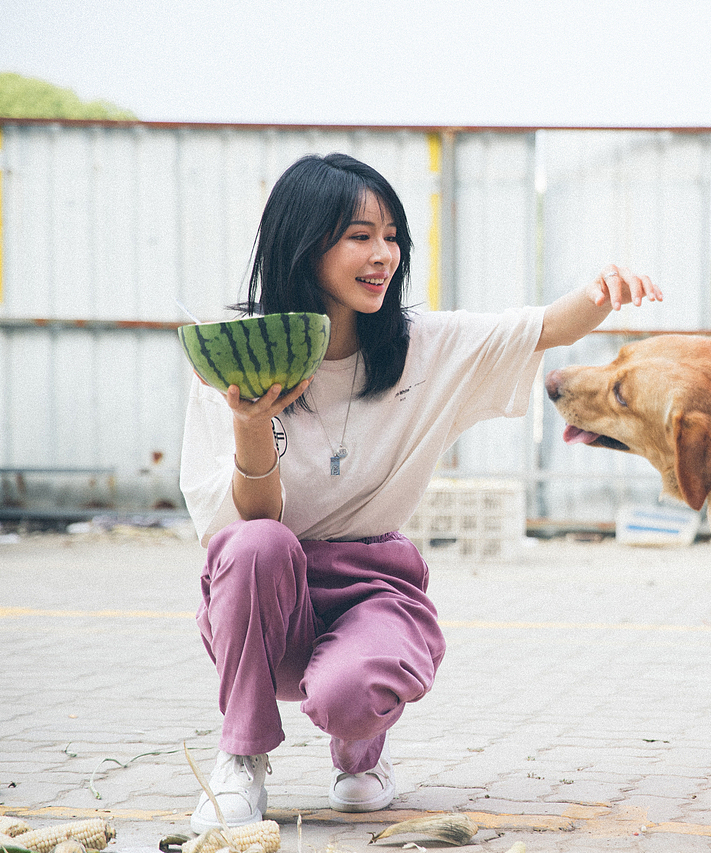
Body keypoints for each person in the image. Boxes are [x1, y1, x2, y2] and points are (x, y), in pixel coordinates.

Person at [179, 152, 661, 831]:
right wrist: (250, 420)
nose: (384, 255)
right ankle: (240, 760)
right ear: (302, 242)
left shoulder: (423, 348)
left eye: (392, 236)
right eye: (359, 235)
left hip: (372, 588)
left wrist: (601, 293)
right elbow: (247, 528)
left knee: (347, 691)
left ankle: (360, 749)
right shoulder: (235, 356)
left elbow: (543, 326)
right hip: (264, 602)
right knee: (258, 542)